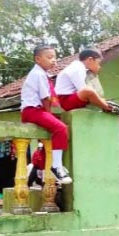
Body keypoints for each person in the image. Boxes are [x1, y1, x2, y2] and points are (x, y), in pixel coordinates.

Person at [20, 44, 72, 185]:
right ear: (38, 59)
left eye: (55, 57)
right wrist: (49, 115)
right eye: (49, 57)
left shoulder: (41, 74)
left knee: (50, 137)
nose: (54, 60)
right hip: (33, 110)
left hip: (33, 111)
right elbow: (45, 98)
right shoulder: (39, 74)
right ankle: (56, 166)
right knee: (61, 128)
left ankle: (52, 166)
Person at [55, 47, 119, 115]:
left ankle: (106, 104)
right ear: (90, 60)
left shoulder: (81, 68)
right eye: (98, 63)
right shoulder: (77, 68)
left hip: (71, 98)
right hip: (66, 100)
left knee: (92, 94)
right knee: (89, 91)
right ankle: (108, 108)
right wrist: (97, 98)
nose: (99, 66)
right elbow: (82, 89)